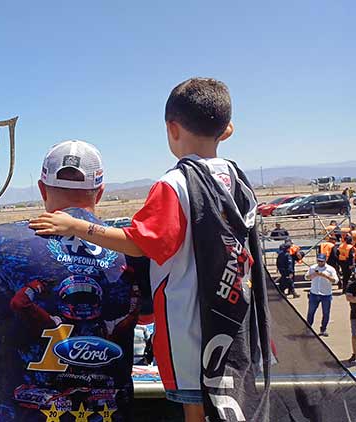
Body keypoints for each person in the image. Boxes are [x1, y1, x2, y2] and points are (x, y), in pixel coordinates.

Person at [30, 78, 265, 422]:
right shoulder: (235, 178)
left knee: (196, 411)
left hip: (190, 328)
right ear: (226, 130)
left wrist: (76, 226)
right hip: (234, 317)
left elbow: (141, 244)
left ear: (172, 128)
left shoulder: (176, 184)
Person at [0, 140, 143, 421]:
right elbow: (144, 316)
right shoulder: (132, 251)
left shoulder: (4, 242)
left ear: (41, 188)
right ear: (99, 192)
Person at [306, 254, 338, 336]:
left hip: (326, 294)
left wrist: (325, 276)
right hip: (314, 293)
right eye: (318, 261)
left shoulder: (330, 269)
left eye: (321, 261)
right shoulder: (313, 268)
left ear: (325, 261)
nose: (320, 263)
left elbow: (335, 281)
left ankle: (323, 329)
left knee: (326, 313)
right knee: (310, 312)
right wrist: (313, 275)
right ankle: (308, 328)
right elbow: (306, 277)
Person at [345, 280, 356, 363]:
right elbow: (349, 298)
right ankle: (355, 354)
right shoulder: (351, 285)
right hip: (354, 315)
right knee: (355, 336)